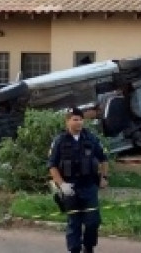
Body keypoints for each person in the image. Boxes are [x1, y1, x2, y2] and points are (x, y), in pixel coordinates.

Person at [48, 106, 109, 253]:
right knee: (74, 223)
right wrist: (62, 185)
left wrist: (104, 177)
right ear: (68, 121)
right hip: (70, 188)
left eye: (81, 119)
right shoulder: (59, 141)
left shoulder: (91, 138)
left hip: (89, 186)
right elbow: (52, 165)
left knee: (92, 222)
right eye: (75, 119)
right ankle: (74, 249)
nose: (79, 122)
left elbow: (104, 158)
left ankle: (88, 247)